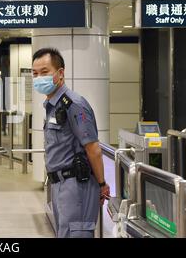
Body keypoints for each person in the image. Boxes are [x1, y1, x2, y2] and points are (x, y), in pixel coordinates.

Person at [32, 48, 110, 238]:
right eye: (35, 74)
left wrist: (101, 184)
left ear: (60, 73)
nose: (38, 78)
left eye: (44, 72)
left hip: (76, 186)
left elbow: (93, 148)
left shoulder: (74, 104)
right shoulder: (53, 106)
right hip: (60, 185)